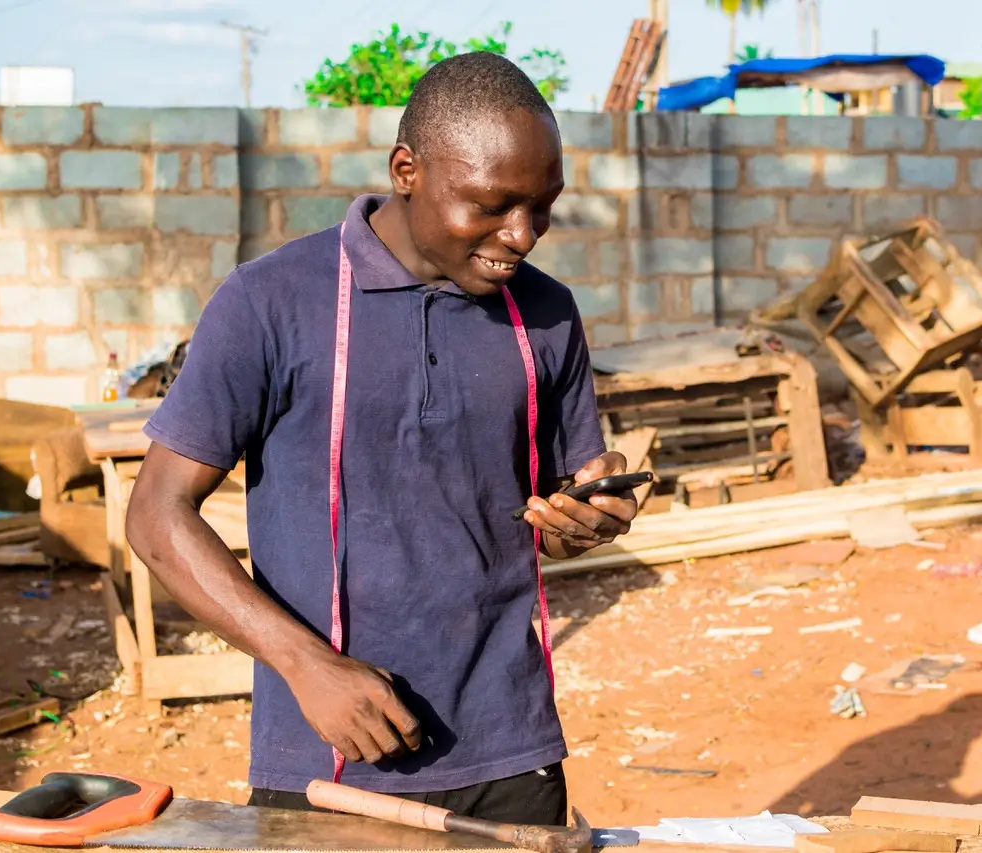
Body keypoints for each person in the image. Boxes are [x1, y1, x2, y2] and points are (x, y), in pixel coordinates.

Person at [125, 51, 639, 825]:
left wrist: (585, 520)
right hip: (334, 755)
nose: (523, 233)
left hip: (512, 749)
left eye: (543, 206)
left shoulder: (547, 314)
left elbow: (547, 517)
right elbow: (157, 515)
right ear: (407, 169)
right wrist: (309, 667)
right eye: (493, 204)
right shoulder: (272, 302)